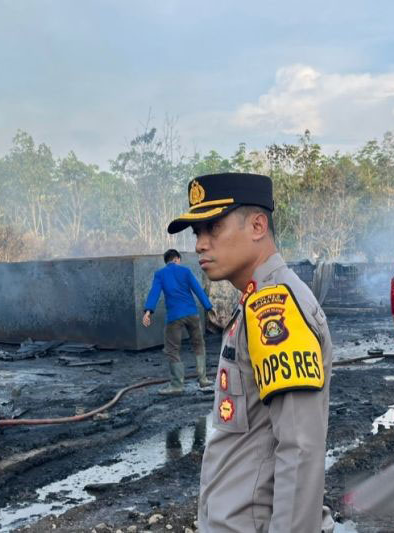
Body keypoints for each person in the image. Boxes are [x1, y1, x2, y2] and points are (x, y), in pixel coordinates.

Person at [166, 172, 334, 532]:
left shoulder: (277, 307)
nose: (200, 244)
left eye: (214, 227)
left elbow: (300, 449)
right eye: (197, 232)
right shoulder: (255, 300)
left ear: (258, 226)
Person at [143, 249, 213, 394]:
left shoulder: (160, 274)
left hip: (174, 317)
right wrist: (208, 307)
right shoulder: (185, 271)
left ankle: (177, 385)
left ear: (167, 261)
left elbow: (154, 293)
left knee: (172, 349)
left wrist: (148, 312)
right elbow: (198, 289)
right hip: (192, 314)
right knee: (199, 344)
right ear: (177, 259)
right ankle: (203, 379)